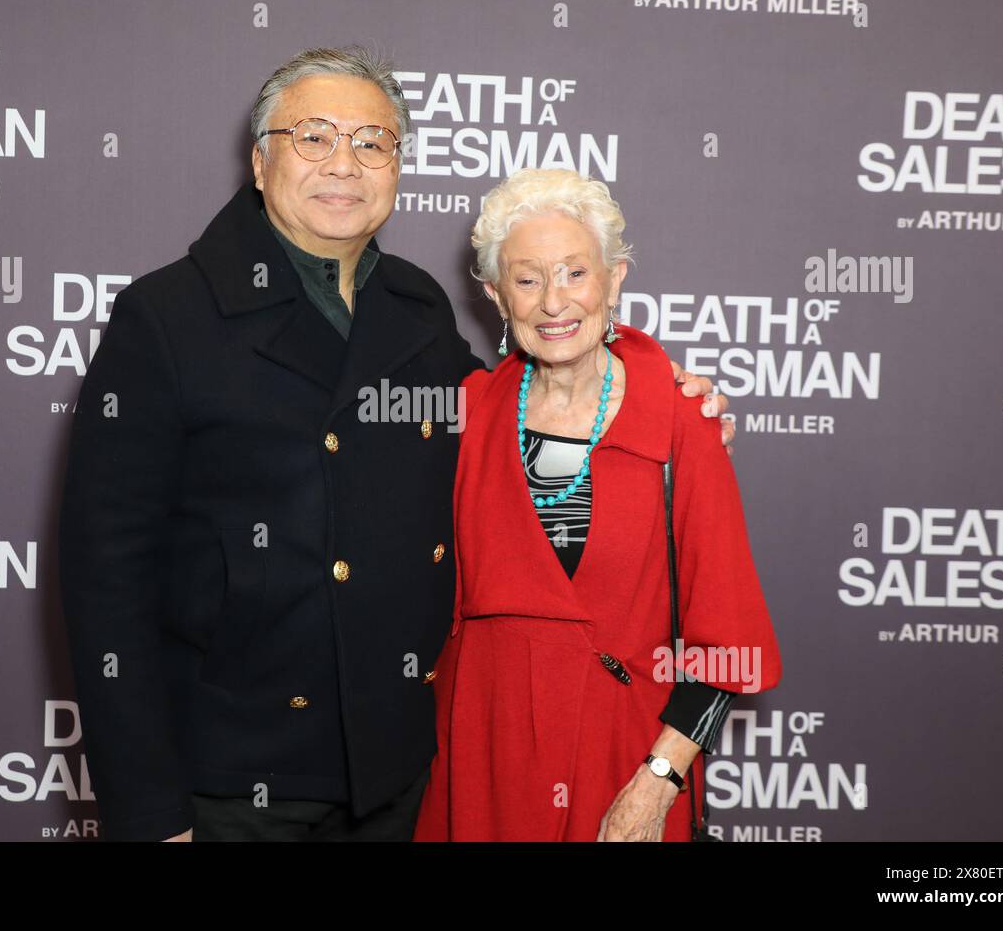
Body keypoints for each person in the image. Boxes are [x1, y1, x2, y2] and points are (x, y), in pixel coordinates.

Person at [57, 47, 731, 842]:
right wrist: (148, 812)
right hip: (229, 783)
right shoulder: (166, 318)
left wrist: (654, 392)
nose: (345, 163)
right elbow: (106, 584)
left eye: (373, 142)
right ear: (260, 159)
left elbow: (523, 408)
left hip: (396, 781)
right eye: (314, 137)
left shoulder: (414, 309)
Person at [413, 167, 781, 842]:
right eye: (527, 280)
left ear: (615, 279)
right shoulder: (465, 414)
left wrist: (659, 782)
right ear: (495, 295)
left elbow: (725, 642)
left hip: (625, 758)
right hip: (482, 759)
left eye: (575, 273)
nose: (554, 302)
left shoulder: (681, 420)